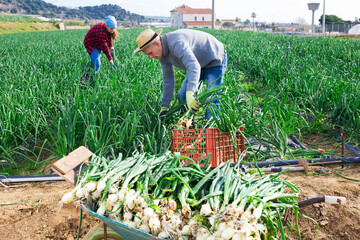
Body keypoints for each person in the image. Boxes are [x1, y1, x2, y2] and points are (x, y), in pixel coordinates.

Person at [134, 28, 227, 118]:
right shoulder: (162, 55)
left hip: (214, 59)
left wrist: (190, 92)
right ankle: (185, 123)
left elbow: (194, 66)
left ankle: (210, 128)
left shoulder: (176, 43)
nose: (150, 57)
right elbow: (168, 78)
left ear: (157, 43)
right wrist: (165, 105)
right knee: (182, 96)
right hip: (197, 62)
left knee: (211, 99)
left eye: (150, 53)